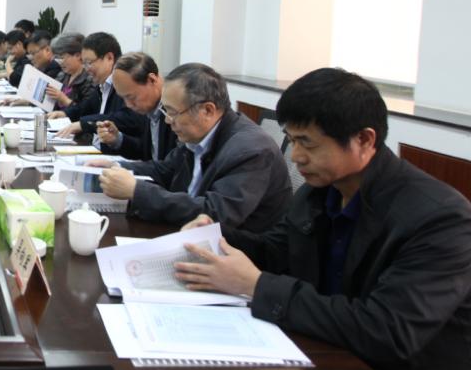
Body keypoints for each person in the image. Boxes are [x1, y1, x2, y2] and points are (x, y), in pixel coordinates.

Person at [173, 68, 471, 370]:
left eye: (308, 143)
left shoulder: (439, 219)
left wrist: (254, 285)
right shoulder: (322, 192)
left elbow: (387, 331)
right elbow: (278, 251)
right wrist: (218, 238)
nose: (295, 156)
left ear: (364, 140)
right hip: (344, 368)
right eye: (291, 139)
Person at [97, 63, 291, 232]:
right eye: (165, 110)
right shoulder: (199, 134)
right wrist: (116, 166)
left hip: (238, 251)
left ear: (207, 110)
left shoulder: (250, 150)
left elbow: (214, 214)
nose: (168, 120)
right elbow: (166, 169)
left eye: (173, 112)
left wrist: (137, 191)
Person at [51, 31, 144, 138]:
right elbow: (85, 107)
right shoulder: (102, 84)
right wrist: (65, 114)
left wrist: (84, 124)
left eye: (89, 63)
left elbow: (127, 117)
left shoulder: (124, 83)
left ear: (109, 58)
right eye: (84, 63)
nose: (86, 69)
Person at [95, 51, 177, 163]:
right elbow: (146, 153)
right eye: (123, 98)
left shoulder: (175, 113)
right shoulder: (149, 108)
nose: (128, 104)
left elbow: (170, 167)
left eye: (131, 97)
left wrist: (119, 166)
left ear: (152, 80)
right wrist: (117, 139)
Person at [47, 32, 97, 113]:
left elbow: (87, 112)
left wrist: (64, 100)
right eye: (57, 58)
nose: (60, 62)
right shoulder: (62, 75)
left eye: (62, 58)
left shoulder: (89, 80)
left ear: (78, 56)